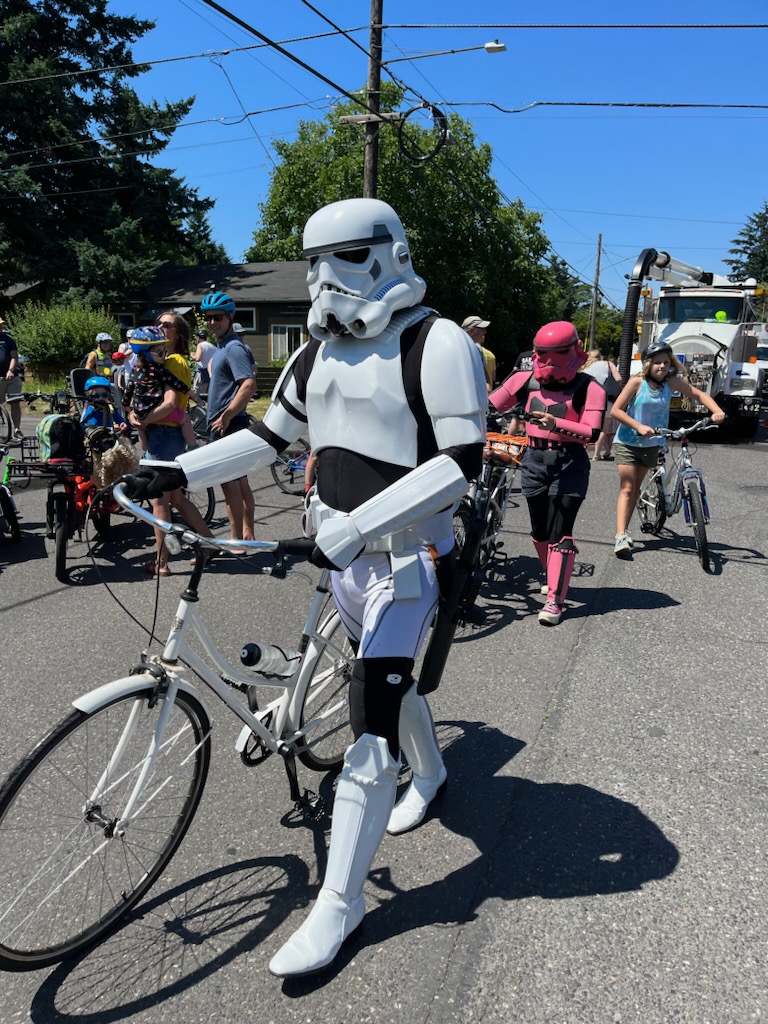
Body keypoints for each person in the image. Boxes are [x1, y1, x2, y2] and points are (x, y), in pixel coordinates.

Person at [122, 197, 487, 977]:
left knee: (369, 723)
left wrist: (360, 525)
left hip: (407, 562)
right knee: (377, 677)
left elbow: (461, 460)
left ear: (390, 252)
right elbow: (265, 437)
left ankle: (341, 902)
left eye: (345, 257)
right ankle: (432, 771)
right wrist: (178, 470)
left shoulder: (438, 341)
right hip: (342, 557)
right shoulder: (313, 354)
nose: (326, 279)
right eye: (315, 262)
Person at [489, 321, 606, 626]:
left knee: (560, 531)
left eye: (558, 353)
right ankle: (553, 575)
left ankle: (555, 599)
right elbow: (489, 407)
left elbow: (592, 433)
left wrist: (556, 425)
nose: (549, 361)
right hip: (534, 461)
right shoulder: (524, 380)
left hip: (570, 464)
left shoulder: (589, 387)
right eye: (543, 353)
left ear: (575, 351)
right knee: (539, 530)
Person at [611, 339, 725, 558]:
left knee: (635, 489)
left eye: (665, 362)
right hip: (628, 441)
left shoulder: (671, 382)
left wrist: (716, 411)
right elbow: (616, 410)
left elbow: (699, 394)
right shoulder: (637, 382)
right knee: (627, 487)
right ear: (647, 364)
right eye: (657, 363)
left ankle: (629, 525)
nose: (661, 366)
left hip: (653, 443)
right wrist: (638, 426)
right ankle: (621, 536)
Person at [125, 328, 214, 576]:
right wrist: (133, 415)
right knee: (175, 498)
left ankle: (160, 562)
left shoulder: (171, 364)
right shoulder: (149, 367)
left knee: (158, 500)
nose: (163, 350)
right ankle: (209, 543)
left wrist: (144, 419)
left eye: (167, 328)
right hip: (163, 434)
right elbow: (130, 394)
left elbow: (171, 402)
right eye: (158, 348)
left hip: (164, 436)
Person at [199, 292, 258, 544]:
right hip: (229, 423)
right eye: (209, 318)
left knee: (229, 485)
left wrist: (226, 416)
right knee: (240, 482)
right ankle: (247, 535)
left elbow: (248, 385)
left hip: (228, 425)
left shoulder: (233, 347)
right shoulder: (224, 346)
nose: (213, 322)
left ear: (230, 316)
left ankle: (234, 542)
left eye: (218, 317)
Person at [122, 327, 197, 454]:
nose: (165, 355)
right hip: (155, 409)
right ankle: (193, 446)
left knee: (142, 429)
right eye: (161, 353)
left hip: (139, 409)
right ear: (146, 354)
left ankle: (144, 448)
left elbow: (129, 389)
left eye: (165, 351)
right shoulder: (159, 370)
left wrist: (126, 406)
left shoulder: (135, 370)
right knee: (185, 419)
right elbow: (174, 382)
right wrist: (189, 392)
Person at [582, 348, 622, 460]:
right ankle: (596, 454)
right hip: (606, 398)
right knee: (603, 428)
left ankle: (583, 449)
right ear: (600, 356)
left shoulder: (585, 368)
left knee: (588, 426)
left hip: (589, 399)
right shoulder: (608, 364)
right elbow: (619, 379)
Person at [0, 318, 23, 438]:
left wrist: (11, 370)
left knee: (15, 403)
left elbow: (14, 357)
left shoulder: (8, 340)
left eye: (2, 325)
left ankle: (17, 429)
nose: (1, 327)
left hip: (11, 377)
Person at [461, 314, 496, 391]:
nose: (485, 332)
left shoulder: (478, 349)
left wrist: (487, 384)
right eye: (482, 329)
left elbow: (483, 370)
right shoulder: (457, 348)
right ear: (472, 330)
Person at [191, 328, 216, 401]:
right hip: (210, 372)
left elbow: (198, 358)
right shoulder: (212, 346)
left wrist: (192, 355)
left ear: (198, 337)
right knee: (208, 394)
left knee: (198, 395)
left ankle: (200, 409)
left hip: (201, 373)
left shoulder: (200, 345)